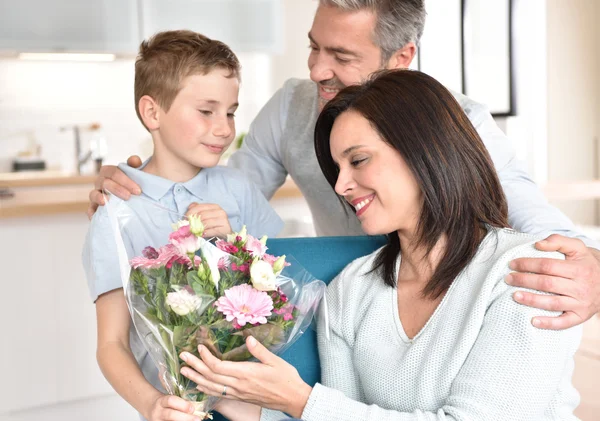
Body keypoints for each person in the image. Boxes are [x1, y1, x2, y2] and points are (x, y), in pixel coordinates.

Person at [87, 0, 600, 330]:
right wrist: (146, 181)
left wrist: (589, 263)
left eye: (341, 55)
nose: (315, 69)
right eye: (313, 46)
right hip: (341, 311)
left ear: (401, 57)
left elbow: (535, 216)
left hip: (436, 316)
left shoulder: (459, 123)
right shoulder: (293, 107)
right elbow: (220, 195)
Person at [177, 69, 582, 421]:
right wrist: (218, 393)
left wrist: (301, 401)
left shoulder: (527, 273)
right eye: (337, 168)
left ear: (424, 149)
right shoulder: (351, 290)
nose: (340, 186)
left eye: (358, 160)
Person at [82, 30, 283, 421]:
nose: (224, 128)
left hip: (258, 404)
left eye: (230, 111)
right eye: (206, 111)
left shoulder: (239, 189)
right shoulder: (116, 211)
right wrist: (151, 404)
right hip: (177, 410)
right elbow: (110, 343)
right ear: (152, 112)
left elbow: (279, 293)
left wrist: (233, 244)